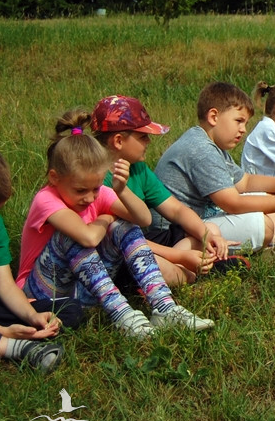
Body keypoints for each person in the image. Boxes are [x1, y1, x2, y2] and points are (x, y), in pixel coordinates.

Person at [17, 111, 213, 338]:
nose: (90, 198)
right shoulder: (46, 199)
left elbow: (143, 219)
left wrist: (121, 190)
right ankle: (121, 314)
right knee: (71, 235)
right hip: (43, 293)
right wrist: (105, 218)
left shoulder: (97, 193)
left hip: (84, 290)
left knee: (125, 226)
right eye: (81, 190)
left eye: (96, 188)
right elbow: (88, 238)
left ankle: (164, 307)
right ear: (54, 178)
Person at [150, 82, 275, 254]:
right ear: (213, 116)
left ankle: (271, 248)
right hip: (174, 232)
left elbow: (245, 181)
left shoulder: (210, 144)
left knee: (270, 197)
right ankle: (257, 248)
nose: (243, 130)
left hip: (198, 221)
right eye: (239, 121)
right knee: (262, 226)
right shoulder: (201, 149)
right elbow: (232, 203)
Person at [91, 95, 241, 287]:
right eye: (143, 136)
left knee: (209, 229)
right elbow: (126, 239)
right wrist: (181, 256)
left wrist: (208, 237)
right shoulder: (98, 182)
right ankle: (191, 273)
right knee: (161, 267)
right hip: (121, 254)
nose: (148, 142)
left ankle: (189, 269)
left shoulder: (138, 169)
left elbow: (176, 210)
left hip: (148, 241)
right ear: (118, 141)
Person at [0, 145, 80, 372]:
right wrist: (2, 331)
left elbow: (5, 285)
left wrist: (32, 315)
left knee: (71, 309)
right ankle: (18, 348)